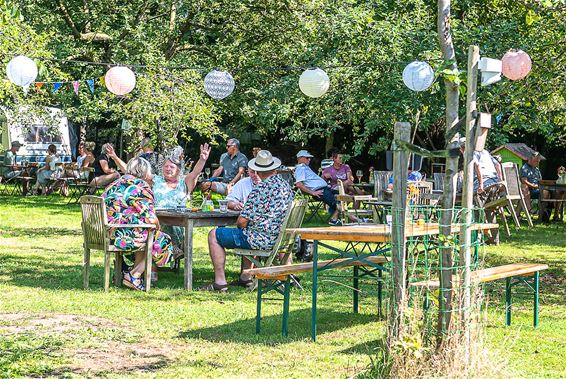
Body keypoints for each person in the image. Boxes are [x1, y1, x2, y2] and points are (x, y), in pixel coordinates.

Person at [202, 150, 293, 292]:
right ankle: (245, 277)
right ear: (274, 169)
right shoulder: (285, 187)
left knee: (214, 234)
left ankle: (220, 282)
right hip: (282, 239)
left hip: (262, 240)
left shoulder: (259, 190)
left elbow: (241, 222)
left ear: (257, 170)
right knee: (248, 231)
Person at [110, 143, 212, 255]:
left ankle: (171, 246)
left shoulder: (184, 182)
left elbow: (195, 172)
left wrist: (202, 159)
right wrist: (115, 157)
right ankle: (164, 253)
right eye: (166, 166)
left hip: (176, 221)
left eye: (172, 167)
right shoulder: (155, 180)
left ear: (178, 170)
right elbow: (133, 172)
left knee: (168, 227)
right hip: (155, 219)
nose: (168, 169)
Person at [102, 157, 173, 291]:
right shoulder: (140, 187)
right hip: (124, 237)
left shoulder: (112, 185)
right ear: (144, 172)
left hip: (107, 234)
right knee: (163, 240)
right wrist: (158, 226)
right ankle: (134, 275)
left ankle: (127, 273)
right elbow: (150, 218)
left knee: (145, 233)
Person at [461, 139, 503, 245]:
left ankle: (476, 239)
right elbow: (497, 165)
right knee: (490, 210)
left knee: (477, 211)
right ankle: (494, 240)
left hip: (483, 184)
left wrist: (480, 184)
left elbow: (477, 166)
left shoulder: (469, 152)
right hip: (494, 184)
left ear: (462, 147)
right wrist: (500, 181)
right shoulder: (484, 151)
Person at [294, 149, 341, 226]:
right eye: (307, 158)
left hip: (326, 189)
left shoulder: (305, 167)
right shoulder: (300, 168)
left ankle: (337, 218)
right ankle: (355, 220)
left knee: (344, 198)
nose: (309, 159)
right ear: (300, 158)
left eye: (310, 158)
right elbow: (299, 184)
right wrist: (313, 192)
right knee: (340, 204)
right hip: (320, 192)